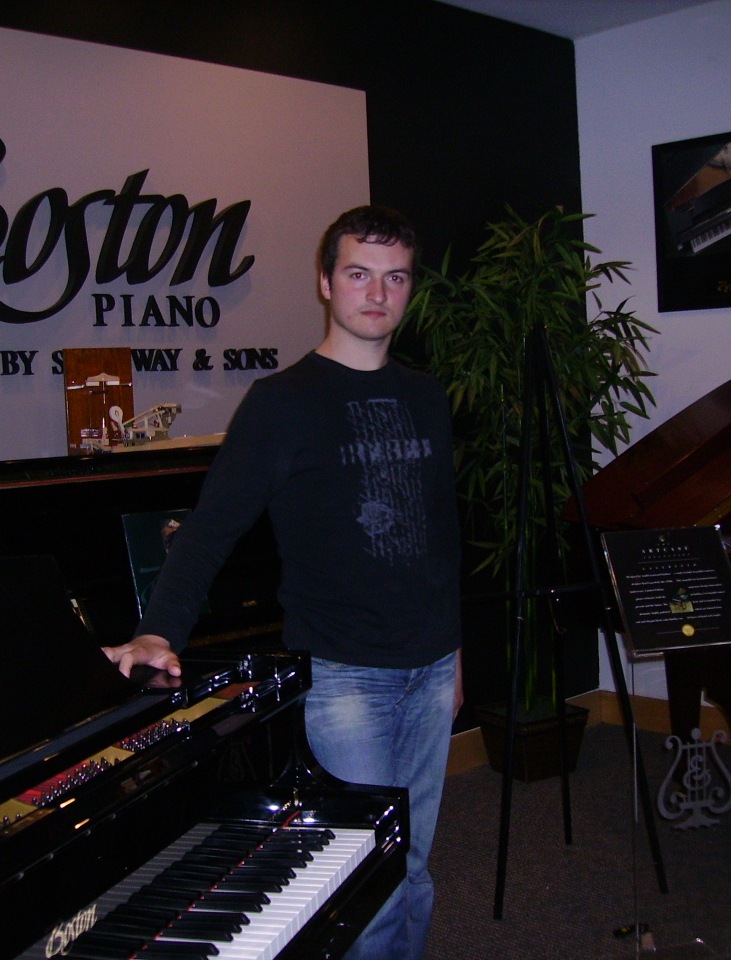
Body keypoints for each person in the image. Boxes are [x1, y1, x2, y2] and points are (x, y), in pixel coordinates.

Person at [103, 204, 463, 960]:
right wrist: (159, 629)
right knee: (366, 884)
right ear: (326, 283)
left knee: (415, 868)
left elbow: (440, 539)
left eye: (395, 278)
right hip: (346, 677)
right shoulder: (281, 402)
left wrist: (455, 655)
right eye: (359, 274)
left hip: (430, 670)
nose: (377, 293)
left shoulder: (427, 395)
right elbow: (210, 528)